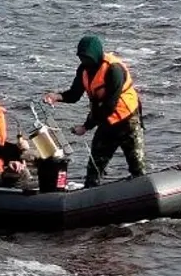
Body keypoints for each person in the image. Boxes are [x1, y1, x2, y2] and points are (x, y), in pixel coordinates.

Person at [44, 34, 146, 187]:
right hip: (106, 123)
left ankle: (143, 194)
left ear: (96, 55)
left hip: (127, 122)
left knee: (137, 167)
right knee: (94, 168)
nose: (85, 62)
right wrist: (56, 97)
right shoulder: (83, 70)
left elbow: (109, 106)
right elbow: (74, 94)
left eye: (88, 58)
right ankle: (91, 196)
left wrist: (85, 127)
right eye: (82, 58)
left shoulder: (114, 69)